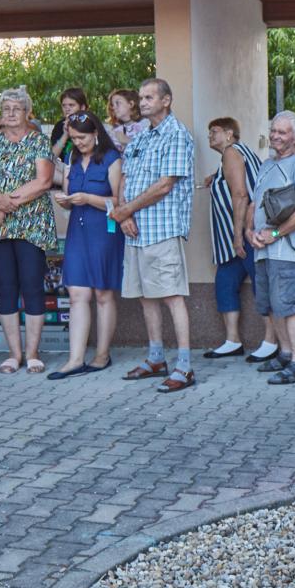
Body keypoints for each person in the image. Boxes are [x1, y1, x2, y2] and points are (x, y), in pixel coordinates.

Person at [112, 78, 197, 393]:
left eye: (149, 97)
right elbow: (124, 177)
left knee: (172, 296)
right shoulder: (141, 137)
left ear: (166, 100)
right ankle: (156, 358)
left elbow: (164, 185)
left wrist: (126, 210)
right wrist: (123, 214)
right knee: (145, 297)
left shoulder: (176, 135)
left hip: (162, 230)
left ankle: (184, 366)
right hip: (135, 231)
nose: (143, 102)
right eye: (141, 97)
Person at [0, 87, 57, 376]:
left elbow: (43, 182)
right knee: (5, 285)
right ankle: (14, 354)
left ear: (27, 113)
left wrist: (4, 206)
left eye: (16, 109)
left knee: (31, 284)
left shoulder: (38, 141)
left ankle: (32, 354)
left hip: (31, 223)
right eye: (6, 108)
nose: (10, 113)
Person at [246, 111, 295, 385]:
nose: (275, 136)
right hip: (262, 249)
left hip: (285, 250)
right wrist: (249, 231)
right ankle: (285, 353)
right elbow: (254, 204)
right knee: (270, 305)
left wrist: (275, 234)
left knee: (288, 306)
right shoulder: (266, 165)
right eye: (274, 131)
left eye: (282, 132)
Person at [49, 112, 124, 379]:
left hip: (104, 231)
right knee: (77, 295)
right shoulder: (72, 158)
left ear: (95, 133)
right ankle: (75, 359)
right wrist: (66, 200)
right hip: (77, 233)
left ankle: (102, 355)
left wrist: (89, 198)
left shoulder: (112, 159)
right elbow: (70, 195)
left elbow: (119, 201)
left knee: (103, 294)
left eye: (82, 137)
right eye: (74, 138)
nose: (78, 143)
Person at [203, 116, 277, 360]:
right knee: (225, 283)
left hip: (246, 232)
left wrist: (238, 236)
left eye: (214, 131)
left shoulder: (232, 152)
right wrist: (215, 178)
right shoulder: (238, 154)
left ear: (229, 134)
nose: (209, 136)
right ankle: (232, 340)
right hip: (232, 237)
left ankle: (271, 340)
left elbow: (240, 194)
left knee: (260, 284)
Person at [49, 87, 89, 167]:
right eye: (64, 106)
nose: (67, 109)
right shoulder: (59, 126)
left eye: (71, 105)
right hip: (65, 168)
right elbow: (51, 158)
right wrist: (65, 134)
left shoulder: (90, 124)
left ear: (82, 107)